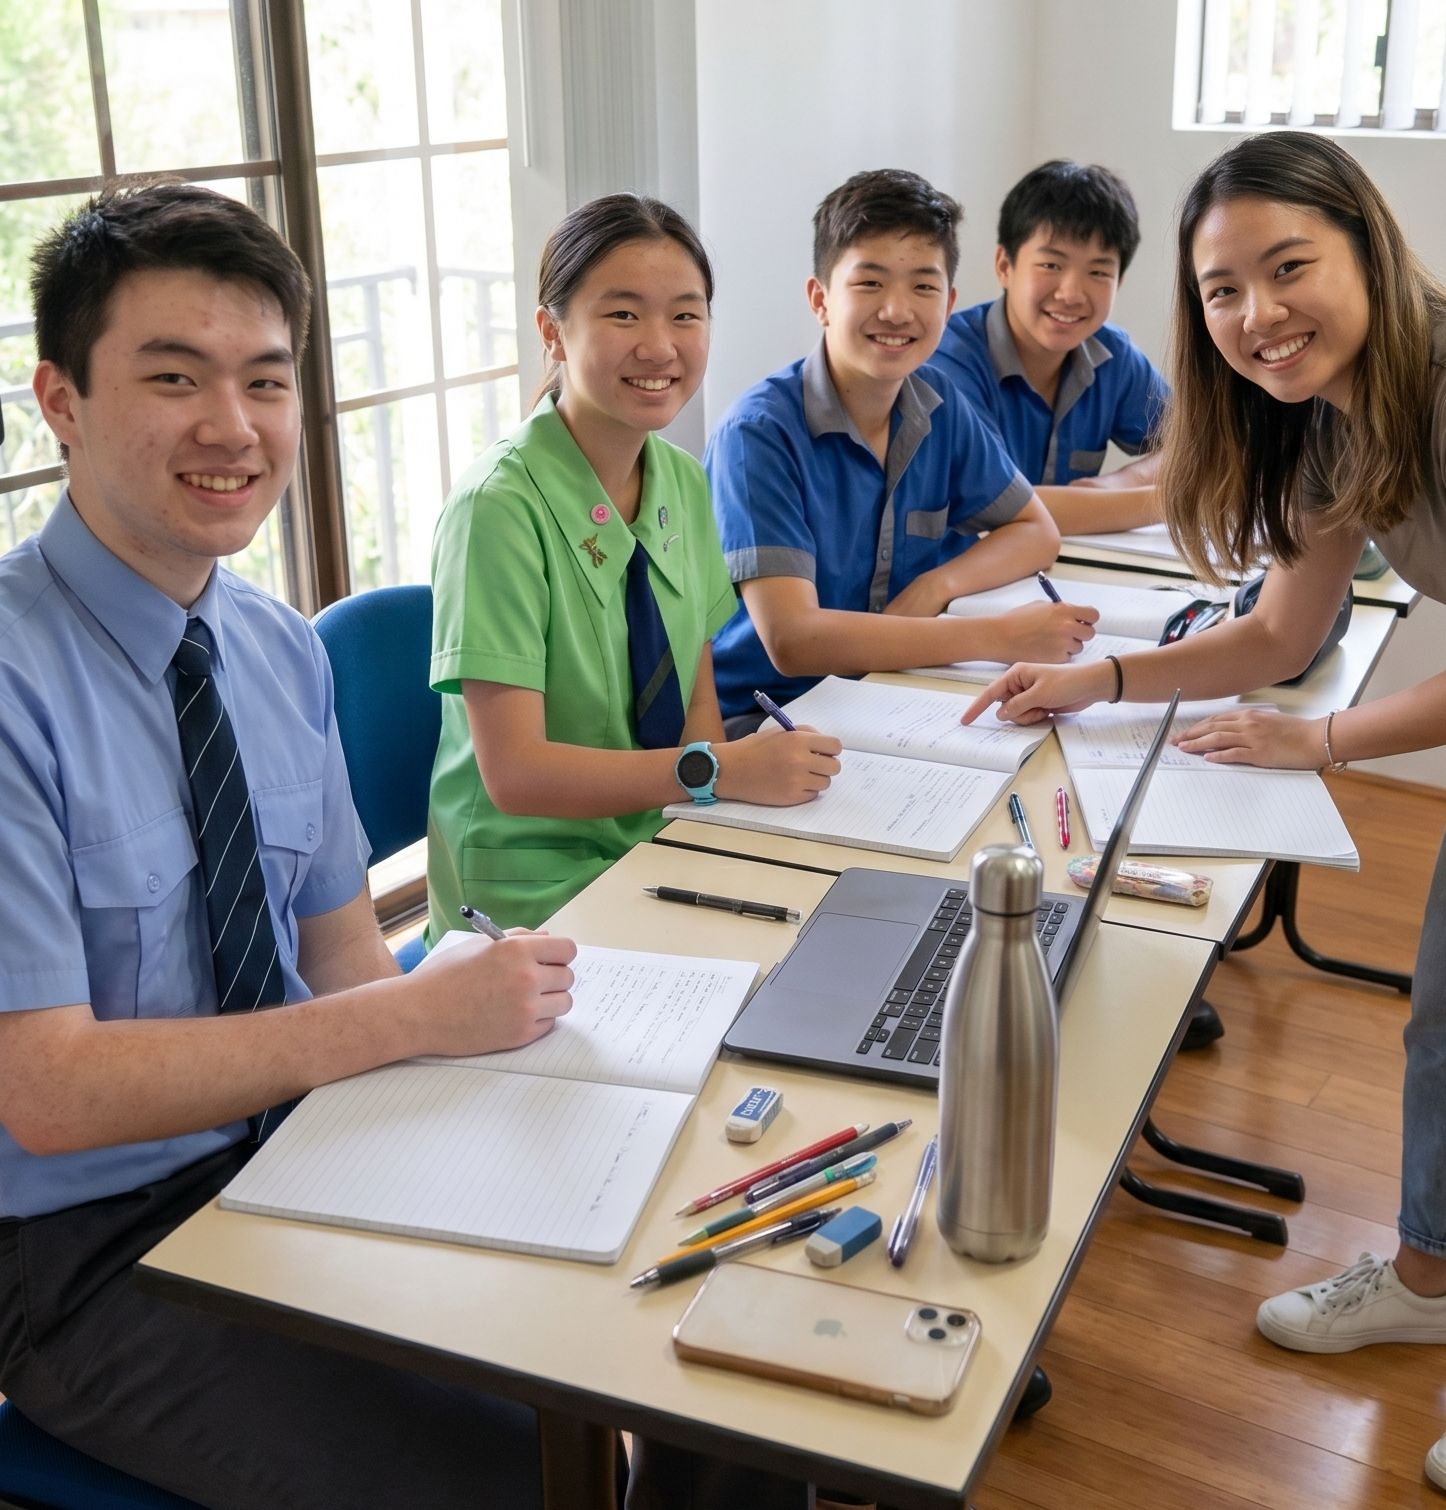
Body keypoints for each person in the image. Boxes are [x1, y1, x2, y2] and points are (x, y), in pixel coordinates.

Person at [0, 186, 912, 1510]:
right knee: (507, 1502)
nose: (231, 424)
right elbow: (52, 1084)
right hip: (74, 1245)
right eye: (171, 374)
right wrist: (397, 1029)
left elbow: (342, 957)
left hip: (287, 1146)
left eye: (265, 377)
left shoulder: (255, 647)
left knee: (685, 1248)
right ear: (57, 400)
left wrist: (488, 1053)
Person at [963, 130, 1446, 1504]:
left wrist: (1322, 740)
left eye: (1290, 270)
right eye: (1224, 291)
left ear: (1367, 251)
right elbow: (1279, 628)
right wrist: (1097, 681)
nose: (1257, 315)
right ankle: (1426, 1279)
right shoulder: (1324, 410)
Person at [426, 193, 842, 937]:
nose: (659, 346)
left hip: (660, 848)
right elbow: (516, 773)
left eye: (686, 315)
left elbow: (697, 702)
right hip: (532, 901)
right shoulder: (497, 510)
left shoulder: (681, 479)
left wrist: (711, 800)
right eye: (623, 315)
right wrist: (715, 773)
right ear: (552, 332)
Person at [706, 166, 1096, 721]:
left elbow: (1036, 531)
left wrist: (937, 587)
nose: (897, 310)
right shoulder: (757, 436)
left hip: (891, 693)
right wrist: (995, 636)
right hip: (772, 719)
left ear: (949, 300)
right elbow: (794, 641)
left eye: (923, 285)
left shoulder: (937, 400)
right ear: (820, 298)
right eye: (870, 283)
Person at [927, 158, 1168, 535]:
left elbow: (1200, 448)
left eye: (1098, 272)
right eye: (1051, 266)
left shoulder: (1112, 355)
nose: (1071, 293)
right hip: (963, 582)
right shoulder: (948, 360)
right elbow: (1001, 507)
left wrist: (1115, 485)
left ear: (1118, 283)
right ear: (1005, 266)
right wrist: (1170, 501)